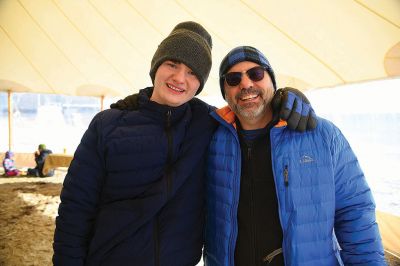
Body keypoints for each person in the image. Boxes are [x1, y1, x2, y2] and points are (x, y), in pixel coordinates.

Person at [53, 22, 315, 265]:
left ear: (200, 83)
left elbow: (253, 111)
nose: (180, 78)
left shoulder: (210, 122)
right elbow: (76, 208)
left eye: (192, 72)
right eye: (172, 64)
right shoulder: (108, 125)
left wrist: (286, 97)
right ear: (156, 67)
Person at [203, 46, 387, 266]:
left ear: (272, 81)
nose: (246, 84)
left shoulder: (322, 135)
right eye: (233, 79)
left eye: (256, 74)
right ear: (225, 92)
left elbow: (355, 212)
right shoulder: (210, 138)